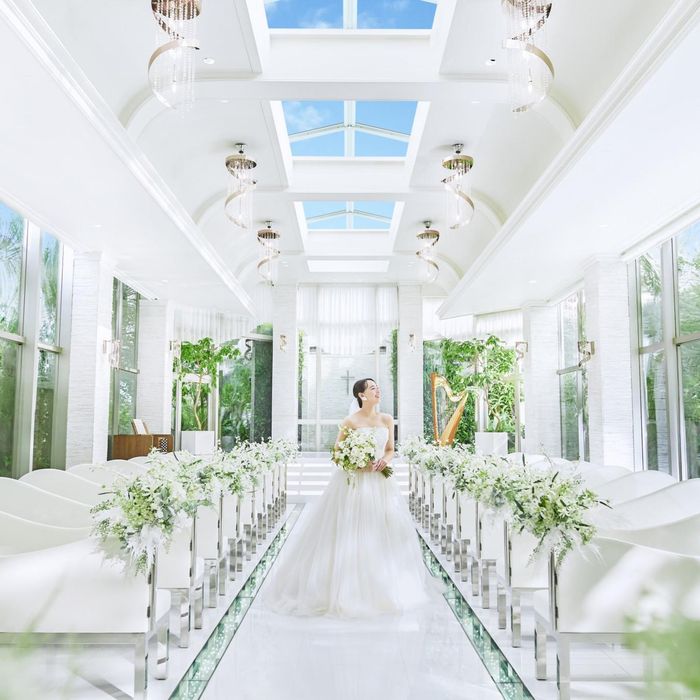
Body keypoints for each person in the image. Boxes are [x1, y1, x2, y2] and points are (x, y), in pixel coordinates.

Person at [264, 378, 437, 618]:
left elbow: (390, 449)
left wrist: (383, 462)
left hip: (381, 482)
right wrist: (357, 463)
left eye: (377, 387)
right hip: (354, 483)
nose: (378, 390)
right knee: (350, 529)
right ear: (361, 395)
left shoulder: (386, 419)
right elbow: (337, 454)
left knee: (381, 528)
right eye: (372, 388)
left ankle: (383, 585)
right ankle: (347, 587)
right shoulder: (350, 422)